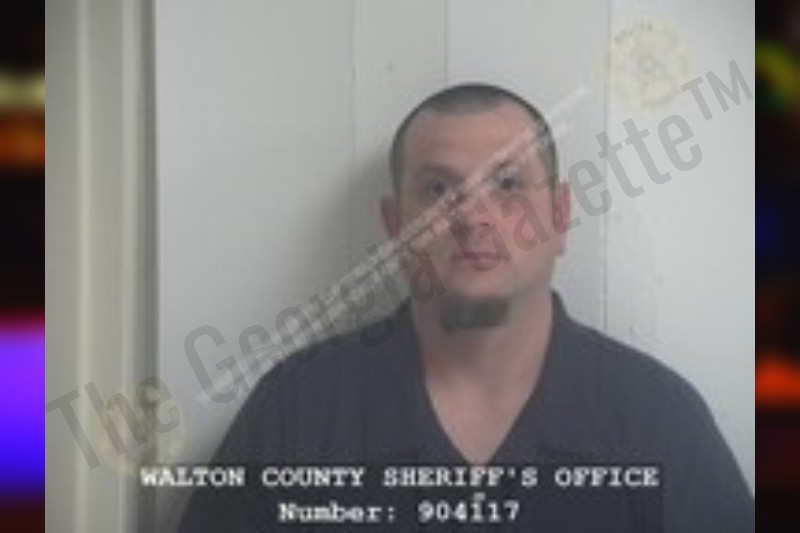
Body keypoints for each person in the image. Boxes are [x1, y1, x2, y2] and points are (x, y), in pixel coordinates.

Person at [178, 84, 753, 532]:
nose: (473, 218)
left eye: (507, 184)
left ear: (559, 219)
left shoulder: (659, 420)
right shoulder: (297, 411)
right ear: (395, 227)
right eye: (438, 189)